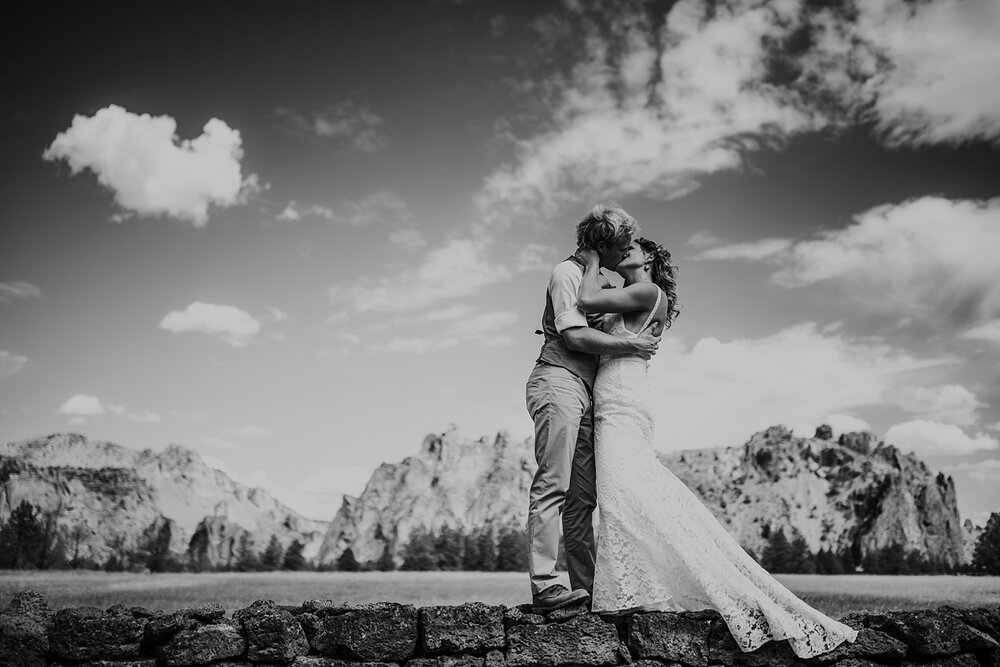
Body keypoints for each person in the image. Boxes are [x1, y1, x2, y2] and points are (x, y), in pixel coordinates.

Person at [574, 238, 858, 658]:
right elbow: (590, 316)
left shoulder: (648, 292)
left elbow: (584, 299)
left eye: (632, 246)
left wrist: (592, 261)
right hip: (615, 397)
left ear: (649, 258)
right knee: (626, 494)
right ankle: (633, 591)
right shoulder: (628, 297)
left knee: (619, 495)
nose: (624, 250)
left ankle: (632, 594)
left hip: (623, 398)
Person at [525, 203, 660, 613]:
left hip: (588, 392)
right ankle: (546, 585)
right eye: (623, 244)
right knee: (553, 483)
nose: (628, 250)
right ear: (606, 245)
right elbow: (575, 337)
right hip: (558, 381)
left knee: (583, 500)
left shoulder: (598, 280)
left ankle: (590, 590)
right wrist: (630, 345)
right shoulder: (567, 273)